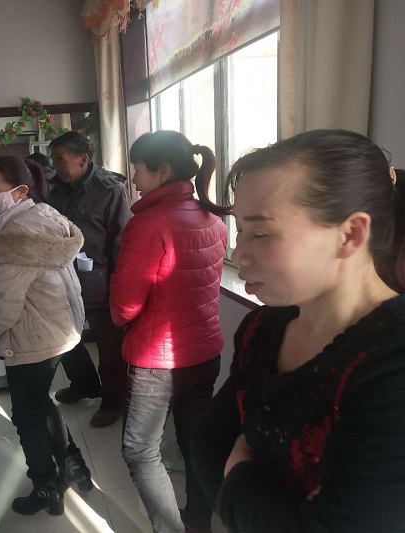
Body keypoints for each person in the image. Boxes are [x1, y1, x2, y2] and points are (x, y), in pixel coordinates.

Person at [191, 130, 405, 532]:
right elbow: (209, 445)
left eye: (260, 233)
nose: (239, 253)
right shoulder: (264, 328)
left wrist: (240, 475)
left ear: (351, 234)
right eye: (240, 231)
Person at [110, 131, 228, 533]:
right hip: (204, 351)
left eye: (138, 169)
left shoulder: (148, 224)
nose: (134, 178)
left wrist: (122, 318)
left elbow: (124, 307)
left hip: (156, 360)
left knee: (140, 451)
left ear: (162, 170)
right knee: (195, 443)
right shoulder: (211, 218)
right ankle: (198, 523)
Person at [0, 156, 93, 516]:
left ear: (20, 190)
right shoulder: (44, 215)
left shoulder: (15, 236)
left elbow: (3, 304)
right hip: (58, 327)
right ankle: (72, 464)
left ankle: (46, 488)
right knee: (41, 403)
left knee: (27, 416)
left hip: (31, 336)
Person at [47, 131, 132, 428]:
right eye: (53, 159)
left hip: (99, 283)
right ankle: (84, 383)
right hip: (60, 278)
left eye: (60, 159)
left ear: (82, 160)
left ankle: (113, 401)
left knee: (109, 348)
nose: (55, 165)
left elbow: (122, 241)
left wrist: (120, 287)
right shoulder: (55, 188)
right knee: (62, 339)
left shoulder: (109, 189)